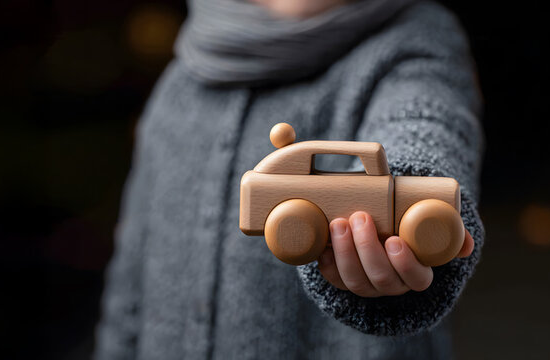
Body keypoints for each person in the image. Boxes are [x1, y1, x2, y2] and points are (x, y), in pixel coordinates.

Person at [95, 0, 484, 358]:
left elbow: (425, 122)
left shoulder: (416, 39)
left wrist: (411, 178)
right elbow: (131, 281)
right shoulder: (183, 80)